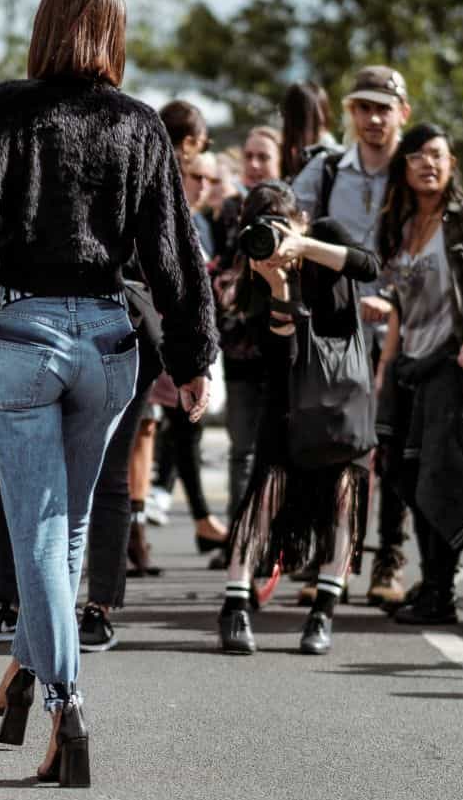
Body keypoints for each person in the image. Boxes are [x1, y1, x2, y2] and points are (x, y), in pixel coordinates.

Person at [0, 0, 217, 786]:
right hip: (108, 341)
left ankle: (66, 701)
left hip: (26, 331)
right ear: (116, 34)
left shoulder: (6, 107)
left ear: (45, 28)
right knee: (63, 531)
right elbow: (175, 255)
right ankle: (21, 679)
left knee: (34, 530)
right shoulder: (139, 126)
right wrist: (193, 357)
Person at [216, 182, 380, 655]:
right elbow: (283, 355)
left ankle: (322, 614)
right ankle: (235, 607)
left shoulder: (323, 235)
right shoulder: (255, 271)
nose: (271, 234)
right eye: (260, 226)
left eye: (280, 223)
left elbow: (368, 265)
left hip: (343, 399)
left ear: (301, 219)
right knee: (263, 499)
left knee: (345, 498)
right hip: (288, 402)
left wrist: (303, 247)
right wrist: (278, 287)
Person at [376, 124, 463, 626]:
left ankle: (441, 592)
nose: (428, 164)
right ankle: (430, 582)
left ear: (452, 163)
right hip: (409, 366)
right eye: (418, 156)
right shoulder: (401, 224)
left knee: (443, 477)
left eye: (438, 155)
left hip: (454, 367)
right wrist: (386, 368)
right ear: (404, 167)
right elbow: (397, 304)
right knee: (407, 479)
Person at [292, 65, 412, 606]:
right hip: (337, 333)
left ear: (402, 114)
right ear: (350, 114)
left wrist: (396, 302)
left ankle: (389, 559)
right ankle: (329, 559)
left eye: (383, 108)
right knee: (333, 445)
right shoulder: (327, 170)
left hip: (396, 329)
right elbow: (295, 226)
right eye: (362, 107)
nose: (372, 118)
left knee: (390, 448)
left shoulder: (414, 173)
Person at [209, 127, 284, 565]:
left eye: (264, 157)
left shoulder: (291, 208)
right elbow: (216, 263)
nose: (255, 165)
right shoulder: (231, 210)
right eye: (249, 157)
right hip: (239, 350)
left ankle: (275, 540)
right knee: (241, 451)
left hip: (281, 351)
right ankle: (238, 540)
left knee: (278, 450)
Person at [154, 105, 226, 556]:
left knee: (184, 430)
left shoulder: (200, 223)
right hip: (156, 338)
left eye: (209, 179)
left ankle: (196, 515)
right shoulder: (162, 210)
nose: (204, 186)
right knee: (150, 434)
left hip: (186, 345)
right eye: (197, 174)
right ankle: (172, 515)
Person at [279, 81, 337, 182]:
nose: (321, 134)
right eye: (314, 125)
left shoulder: (333, 165)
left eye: (320, 125)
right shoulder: (277, 160)